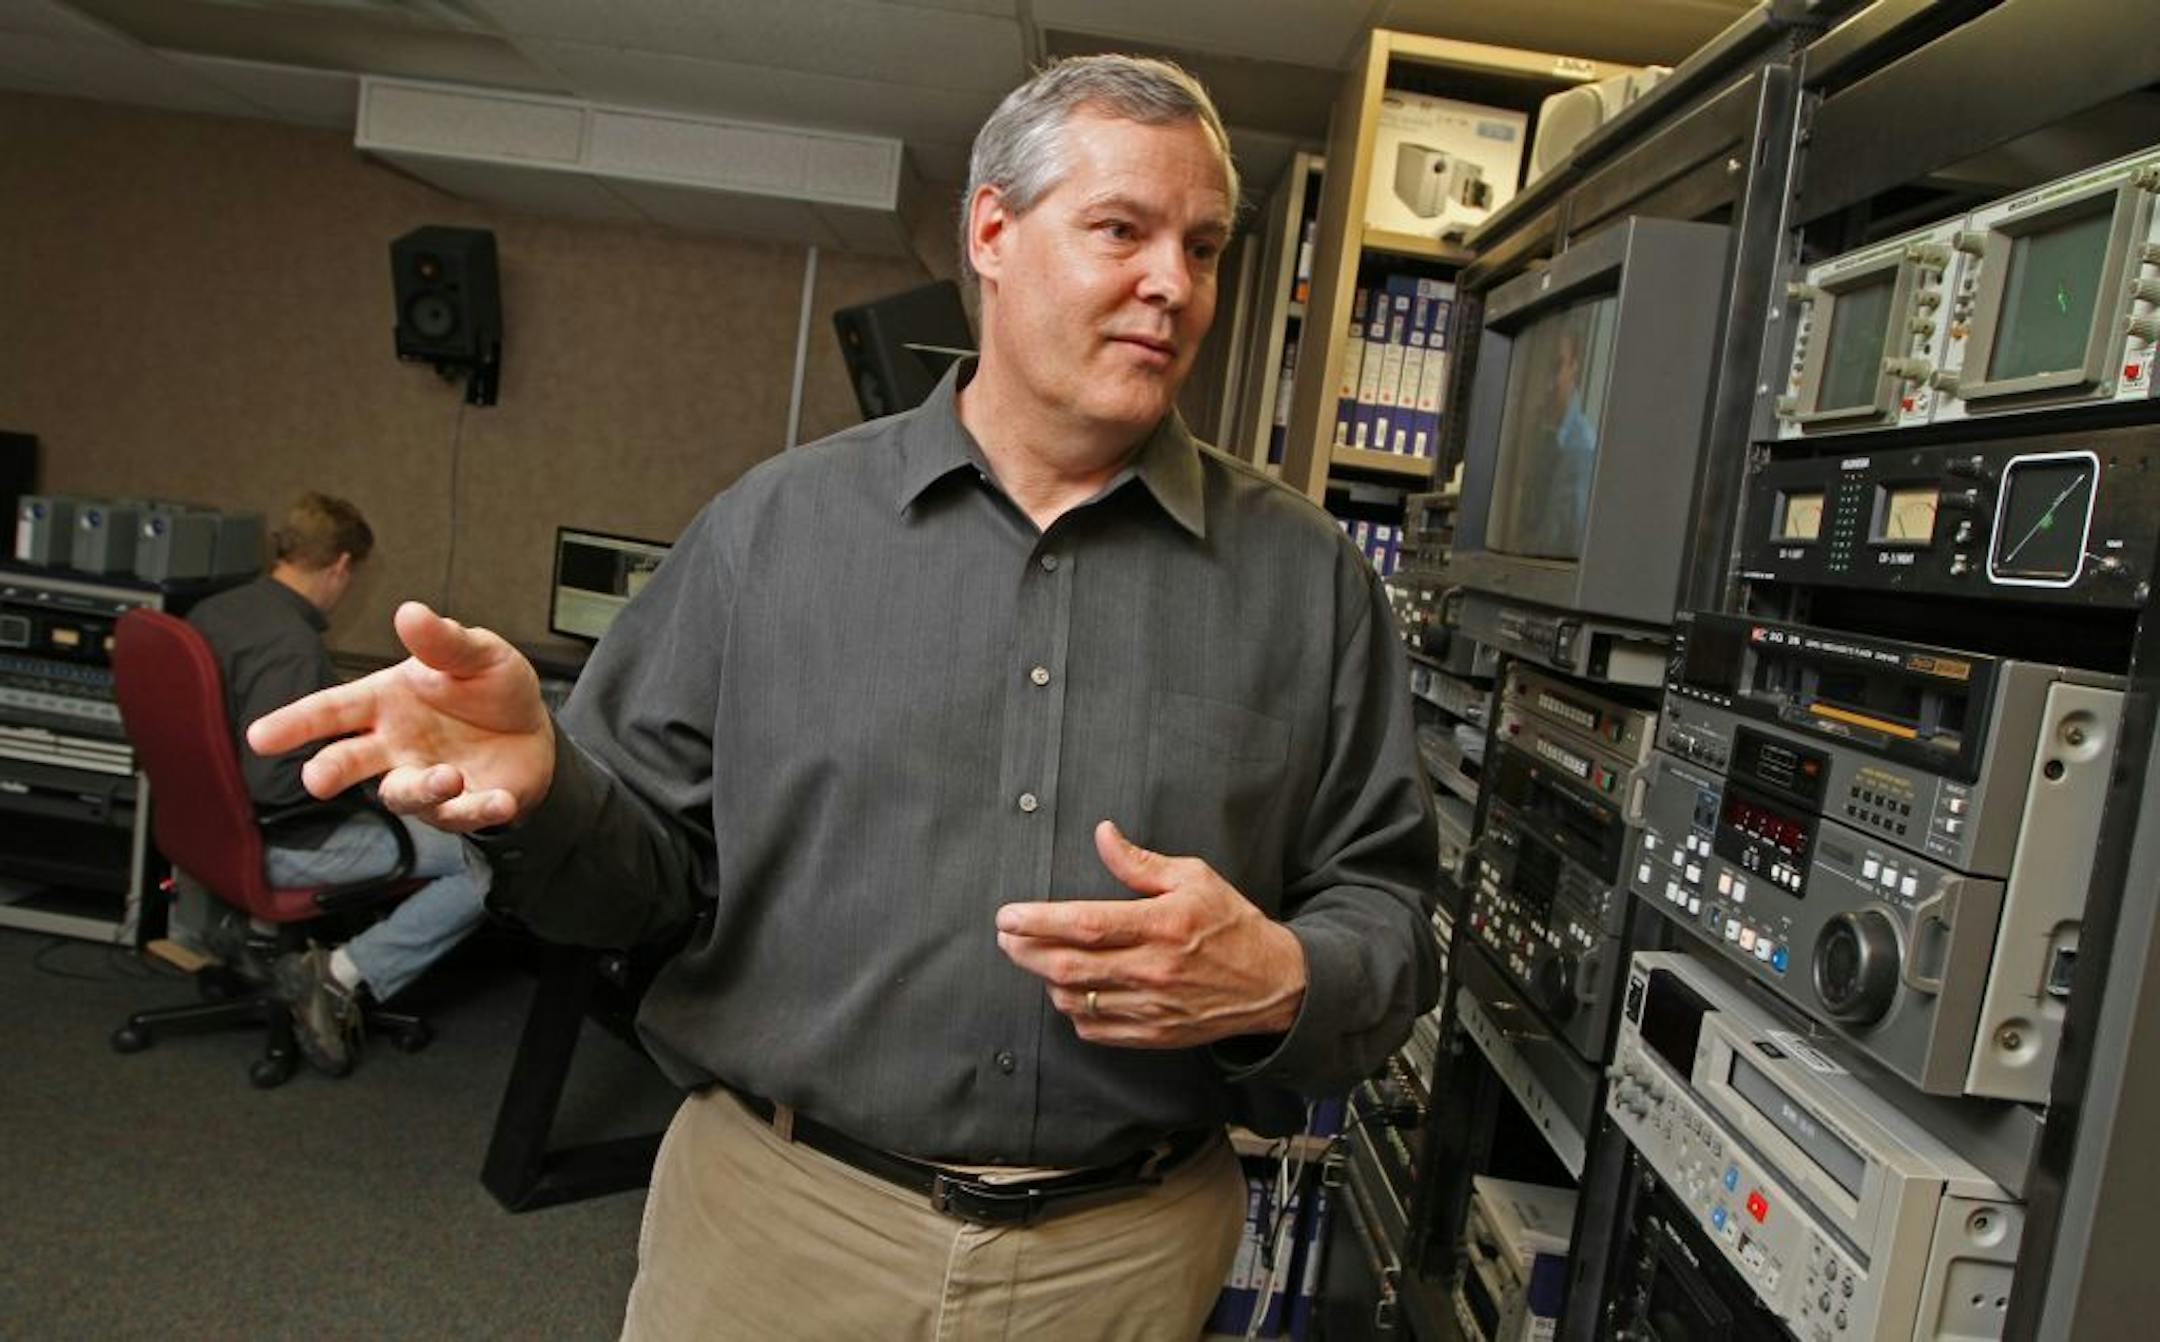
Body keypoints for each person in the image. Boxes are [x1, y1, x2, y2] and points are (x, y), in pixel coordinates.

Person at [252, 56, 1438, 1338]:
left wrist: (1283, 976)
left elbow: (1388, 912)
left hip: (1125, 1264)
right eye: (1122, 230)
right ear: (992, 231)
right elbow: (634, 887)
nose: (1174, 283)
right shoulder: (771, 531)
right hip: (778, 1231)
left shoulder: (1308, 580)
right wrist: (546, 795)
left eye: (1202, 248)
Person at [188, 492, 492, 1078]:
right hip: (279, 841)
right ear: (342, 567)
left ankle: (259, 938)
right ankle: (337, 975)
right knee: (483, 858)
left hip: (210, 830)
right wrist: (370, 780)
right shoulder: (292, 646)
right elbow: (276, 785)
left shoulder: (217, 610)